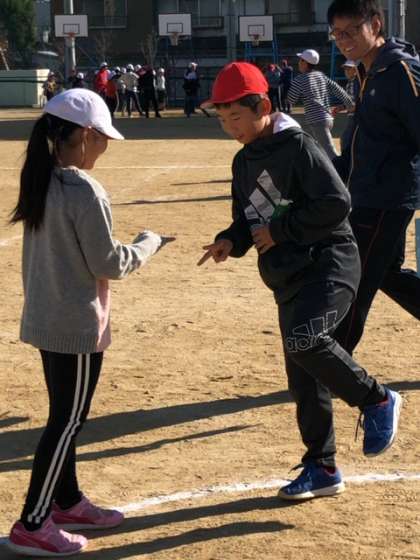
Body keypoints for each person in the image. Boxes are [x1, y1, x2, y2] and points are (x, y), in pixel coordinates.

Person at [198, 61, 401, 501]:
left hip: (329, 263)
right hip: (286, 275)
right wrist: (230, 240)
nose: (231, 127)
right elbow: (247, 218)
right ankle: (322, 466)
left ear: (263, 106)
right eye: (223, 119)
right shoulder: (243, 160)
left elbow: (336, 203)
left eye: (237, 117)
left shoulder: (299, 146)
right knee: (303, 375)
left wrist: (280, 231)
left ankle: (377, 399)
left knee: (306, 341)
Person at [6, 89, 173, 557]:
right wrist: (149, 243)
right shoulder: (82, 189)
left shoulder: (42, 180)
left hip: (47, 315)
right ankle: (33, 522)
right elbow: (109, 263)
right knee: (67, 421)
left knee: (65, 416)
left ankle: (68, 501)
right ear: (84, 134)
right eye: (102, 139)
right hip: (75, 322)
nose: (105, 148)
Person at [327, 0, 420, 354]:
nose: (344, 41)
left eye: (351, 31)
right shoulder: (368, 72)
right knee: (387, 273)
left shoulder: (400, 71)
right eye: (337, 34)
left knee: (355, 278)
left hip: (385, 197)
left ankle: (332, 364)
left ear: (376, 25)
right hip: (366, 191)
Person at [287, 49, 354, 159]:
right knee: (318, 149)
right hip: (327, 118)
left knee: (330, 152)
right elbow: (338, 90)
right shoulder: (321, 76)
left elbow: (291, 99)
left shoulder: (299, 80)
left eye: (300, 60)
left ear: (305, 63)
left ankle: (339, 168)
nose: (298, 63)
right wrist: (350, 104)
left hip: (317, 120)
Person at [332, 59, 360, 152]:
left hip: (356, 116)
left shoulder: (357, 82)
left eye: (349, 68)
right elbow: (350, 101)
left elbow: (360, 100)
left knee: (346, 140)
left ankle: (347, 158)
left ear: (355, 70)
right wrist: (341, 107)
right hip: (352, 115)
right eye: (345, 69)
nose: (346, 71)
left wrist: (354, 107)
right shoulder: (350, 83)